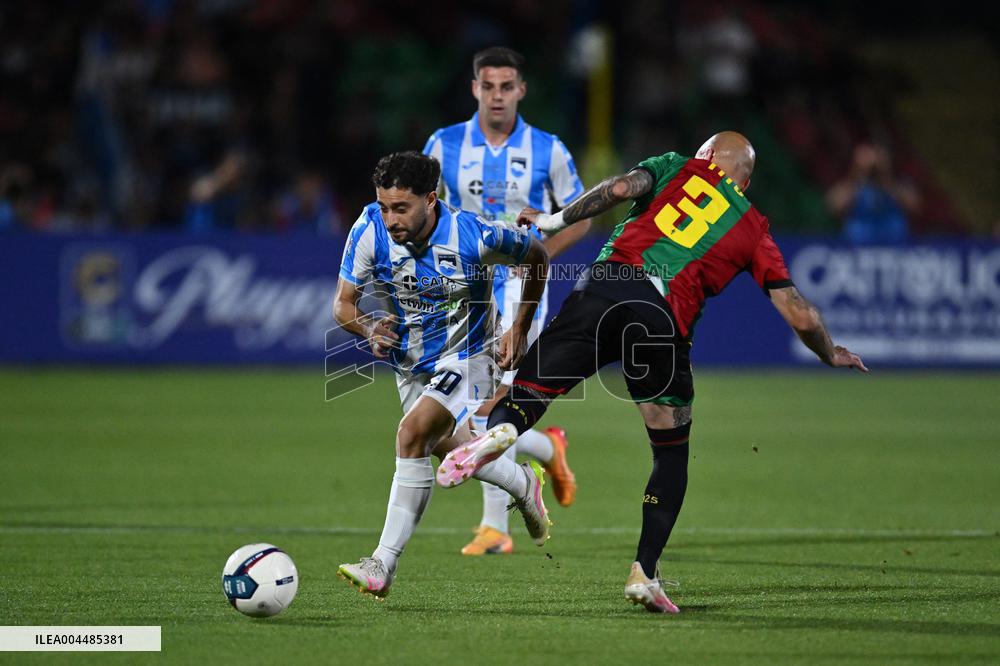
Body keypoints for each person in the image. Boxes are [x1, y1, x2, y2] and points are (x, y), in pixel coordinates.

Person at [436, 131, 869, 613]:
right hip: (659, 317)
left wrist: (549, 219)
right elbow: (800, 314)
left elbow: (618, 190)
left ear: (705, 157)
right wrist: (829, 352)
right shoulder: (753, 226)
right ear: (744, 182)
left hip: (602, 287)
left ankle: (500, 435)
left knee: (528, 393)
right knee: (670, 452)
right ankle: (644, 572)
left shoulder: (675, 165)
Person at [332, 151, 552, 598]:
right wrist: (370, 326)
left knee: (411, 434)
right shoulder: (369, 228)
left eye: (401, 208)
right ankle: (522, 481)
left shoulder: (474, 235)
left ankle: (382, 564)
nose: (390, 218)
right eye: (384, 206)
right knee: (445, 448)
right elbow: (342, 305)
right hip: (411, 363)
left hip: (474, 356)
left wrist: (520, 326)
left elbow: (538, 257)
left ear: (430, 200)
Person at [423, 46, 592, 556]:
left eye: (507, 86)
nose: (497, 95)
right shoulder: (443, 144)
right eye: (488, 86)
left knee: (495, 400)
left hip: (521, 293)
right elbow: (426, 210)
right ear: (475, 88)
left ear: (521, 90)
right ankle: (547, 447)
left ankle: (496, 528)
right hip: (464, 287)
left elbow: (582, 214)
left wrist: (539, 252)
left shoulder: (549, 149)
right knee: (477, 409)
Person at [826, 143, 920, 244]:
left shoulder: (898, 183)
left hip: (895, 246)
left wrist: (885, 177)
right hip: (858, 247)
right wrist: (859, 174)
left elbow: (915, 207)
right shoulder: (850, 185)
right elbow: (834, 206)